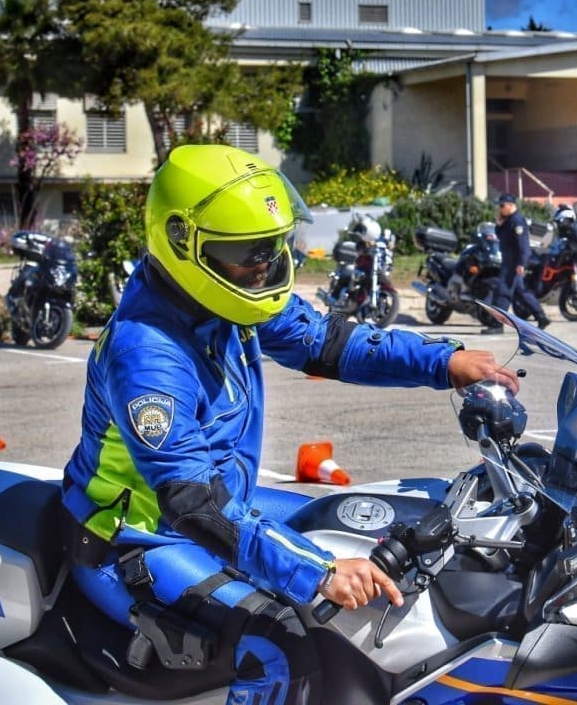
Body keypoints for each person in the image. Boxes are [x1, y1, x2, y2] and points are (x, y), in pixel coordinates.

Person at [60, 145, 517, 705]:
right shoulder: (148, 356)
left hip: (221, 504)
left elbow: (327, 341)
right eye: (250, 250)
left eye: (275, 244)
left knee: (370, 521)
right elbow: (193, 503)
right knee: (281, 646)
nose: (267, 264)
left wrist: (444, 362)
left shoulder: (225, 296)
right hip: (139, 540)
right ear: (183, 242)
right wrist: (319, 572)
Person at [482, 193, 550, 334]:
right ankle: (541, 317)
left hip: (513, 264)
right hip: (509, 262)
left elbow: (523, 246)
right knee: (521, 292)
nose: (500, 208)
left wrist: (521, 264)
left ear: (510, 205)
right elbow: (501, 236)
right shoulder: (508, 221)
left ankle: (497, 325)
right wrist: (499, 224)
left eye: (502, 206)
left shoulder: (517, 221)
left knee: (502, 293)